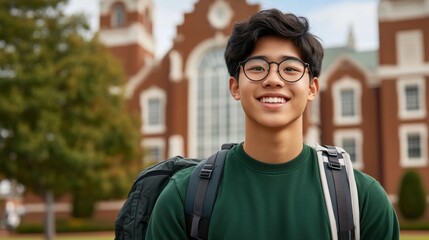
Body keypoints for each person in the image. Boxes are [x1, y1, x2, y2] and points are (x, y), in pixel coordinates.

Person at [145, 8, 399, 239]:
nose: (273, 79)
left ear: (312, 88)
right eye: (257, 68)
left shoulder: (362, 200)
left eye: (290, 69)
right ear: (235, 87)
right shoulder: (182, 199)